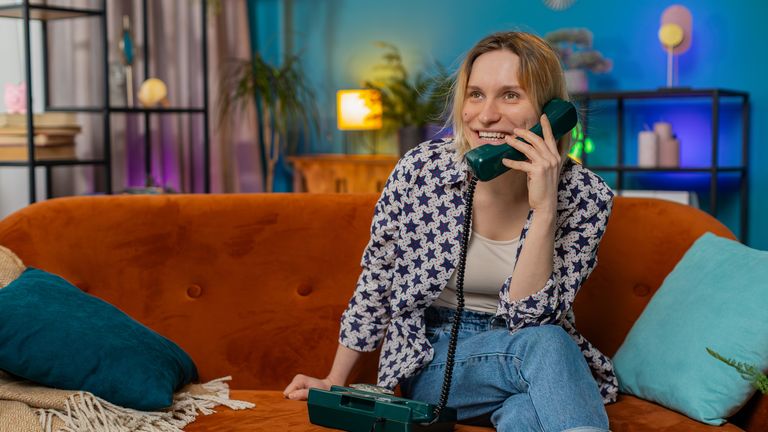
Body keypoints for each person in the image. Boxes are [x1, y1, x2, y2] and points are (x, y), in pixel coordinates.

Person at [284, 31, 617, 432]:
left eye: (510, 95)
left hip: (531, 352)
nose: (486, 115)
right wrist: (334, 380)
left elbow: (532, 318)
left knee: (526, 412)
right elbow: (377, 281)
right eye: (475, 94)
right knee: (547, 345)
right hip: (435, 355)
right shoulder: (421, 172)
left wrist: (545, 209)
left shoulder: (585, 197)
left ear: (551, 112)